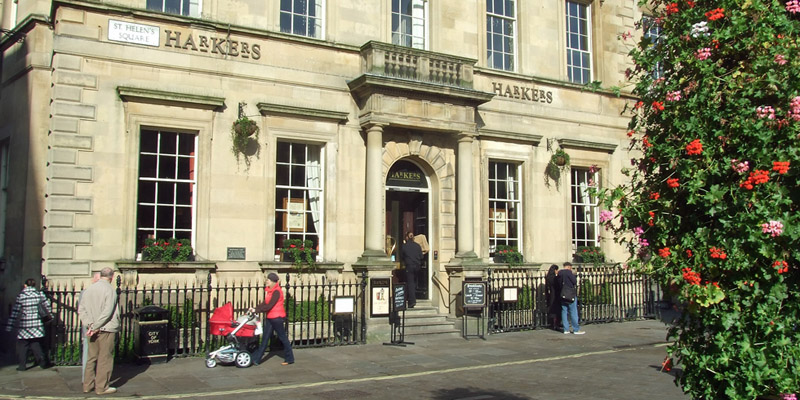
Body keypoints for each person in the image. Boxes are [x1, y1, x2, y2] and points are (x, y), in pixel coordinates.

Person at [78, 267, 121, 395]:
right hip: (106, 328)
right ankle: (101, 387)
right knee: (105, 358)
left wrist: (90, 325)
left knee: (91, 358)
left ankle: (87, 385)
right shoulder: (110, 290)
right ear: (111, 277)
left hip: (91, 329)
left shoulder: (89, 289)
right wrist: (96, 326)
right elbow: (107, 312)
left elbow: (81, 310)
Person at [5, 278, 53, 371]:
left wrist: (9, 326)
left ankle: (22, 366)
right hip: (36, 324)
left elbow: (15, 311)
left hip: (25, 325)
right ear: (34, 285)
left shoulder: (21, 296)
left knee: (23, 346)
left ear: (25, 285)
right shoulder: (39, 294)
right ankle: (43, 363)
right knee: (36, 344)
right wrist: (51, 317)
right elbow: (47, 307)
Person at [248, 272, 294, 366]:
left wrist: (256, 310)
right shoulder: (270, 291)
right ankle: (257, 359)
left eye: (268, 280)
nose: (266, 281)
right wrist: (255, 308)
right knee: (265, 339)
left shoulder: (277, 292)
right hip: (270, 317)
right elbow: (265, 303)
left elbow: (269, 306)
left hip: (277, 318)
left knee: (283, 338)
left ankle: (290, 358)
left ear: (273, 281)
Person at [80, 272, 102, 383]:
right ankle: (88, 379)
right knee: (90, 355)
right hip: (92, 328)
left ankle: (95, 379)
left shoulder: (105, 292)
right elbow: (82, 311)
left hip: (100, 328)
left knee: (99, 356)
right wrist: (90, 325)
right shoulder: (85, 293)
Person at [559, 262, 585, 335]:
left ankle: (566, 329)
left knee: (564, 311)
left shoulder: (560, 273)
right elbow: (574, 281)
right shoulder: (569, 273)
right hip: (570, 294)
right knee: (573, 311)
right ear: (569, 267)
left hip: (562, 294)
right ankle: (576, 329)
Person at [400, 231, 424, 308]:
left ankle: (412, 301)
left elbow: (402, 256)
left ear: (407, 237)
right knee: (414, 283)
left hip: (409, 266)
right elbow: (421, 257)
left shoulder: (404, 246)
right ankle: (415, 296)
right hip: (417, 266)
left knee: (410, 283)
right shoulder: (417, 246)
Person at [544, 264, 561, 330]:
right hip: (556, 295)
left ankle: (552, 323)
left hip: (550, 295)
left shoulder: (548, 277)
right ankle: (556, 324)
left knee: (551, 309)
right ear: (555, 270)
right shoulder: (555, 278)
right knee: (556, 310)